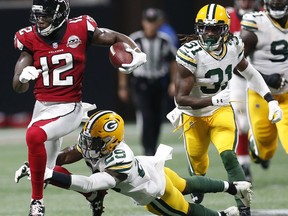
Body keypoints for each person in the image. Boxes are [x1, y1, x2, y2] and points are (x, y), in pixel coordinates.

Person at [12, 0, 146, 215]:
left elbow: (116, 37)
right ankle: (93, 194)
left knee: (34, 136)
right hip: (43, 107)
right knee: (46, 168)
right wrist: (22, 78)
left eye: (45, 15)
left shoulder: (80, 28)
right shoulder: (28, 38)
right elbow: (17, 86)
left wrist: (136, 51)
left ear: (60, 14)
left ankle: (36, 203)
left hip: (69, 106)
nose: (40, 20)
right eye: (37, 15)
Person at [15, 110, 253, 216]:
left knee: (187, 211)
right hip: (153, 167)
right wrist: (37, 166)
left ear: (109, 142)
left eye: (93, 142)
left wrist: (46, 175)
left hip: (155, 194)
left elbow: (88, 184)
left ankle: (223, 215)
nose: (87, 145)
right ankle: (233, 187)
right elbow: (66, 155)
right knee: (187, 184)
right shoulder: (102, 143)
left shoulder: (118, 164)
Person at [167, 3, 282, 216]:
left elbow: (250, 72)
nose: (209, 33)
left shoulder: (234, 45)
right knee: (199, 164)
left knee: (229, 155)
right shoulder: (189, 53)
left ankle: (243, 206)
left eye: (215, 28)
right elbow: (180, 99)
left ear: (225, 29)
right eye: (205, 28)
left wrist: (270, 100)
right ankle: (198, 189)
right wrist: (212, 100)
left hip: (221, 111)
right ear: (198, 28)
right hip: (194, 115)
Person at [118, 8, 177, 156]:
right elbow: (123, 63)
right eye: (148, 22)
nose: (151, 26)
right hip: (141, 83)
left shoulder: (164, 40)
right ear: (143, 22)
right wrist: (123, 86)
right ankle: (147, 149)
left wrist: (173, 82)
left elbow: (173, 62)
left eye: (153, 22)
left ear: (158, 23)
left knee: (157, 118)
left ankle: (152, 147)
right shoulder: (134, 40)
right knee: (146, 116)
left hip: (158, 83)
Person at [240, 0, 288, 170]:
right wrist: (268, 78)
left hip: (287, 95)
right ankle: (256, 147)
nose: (277, 2)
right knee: (265, 150)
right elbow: (236, 64)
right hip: (261, 94)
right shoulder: (256, 23)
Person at [227, 0, 262, 183]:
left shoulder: (265, 14)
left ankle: (262, 151)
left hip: (261, 75)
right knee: (242, 122)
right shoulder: (227, 15)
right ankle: (244, 162)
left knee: (264, 119)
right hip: (237, 77)